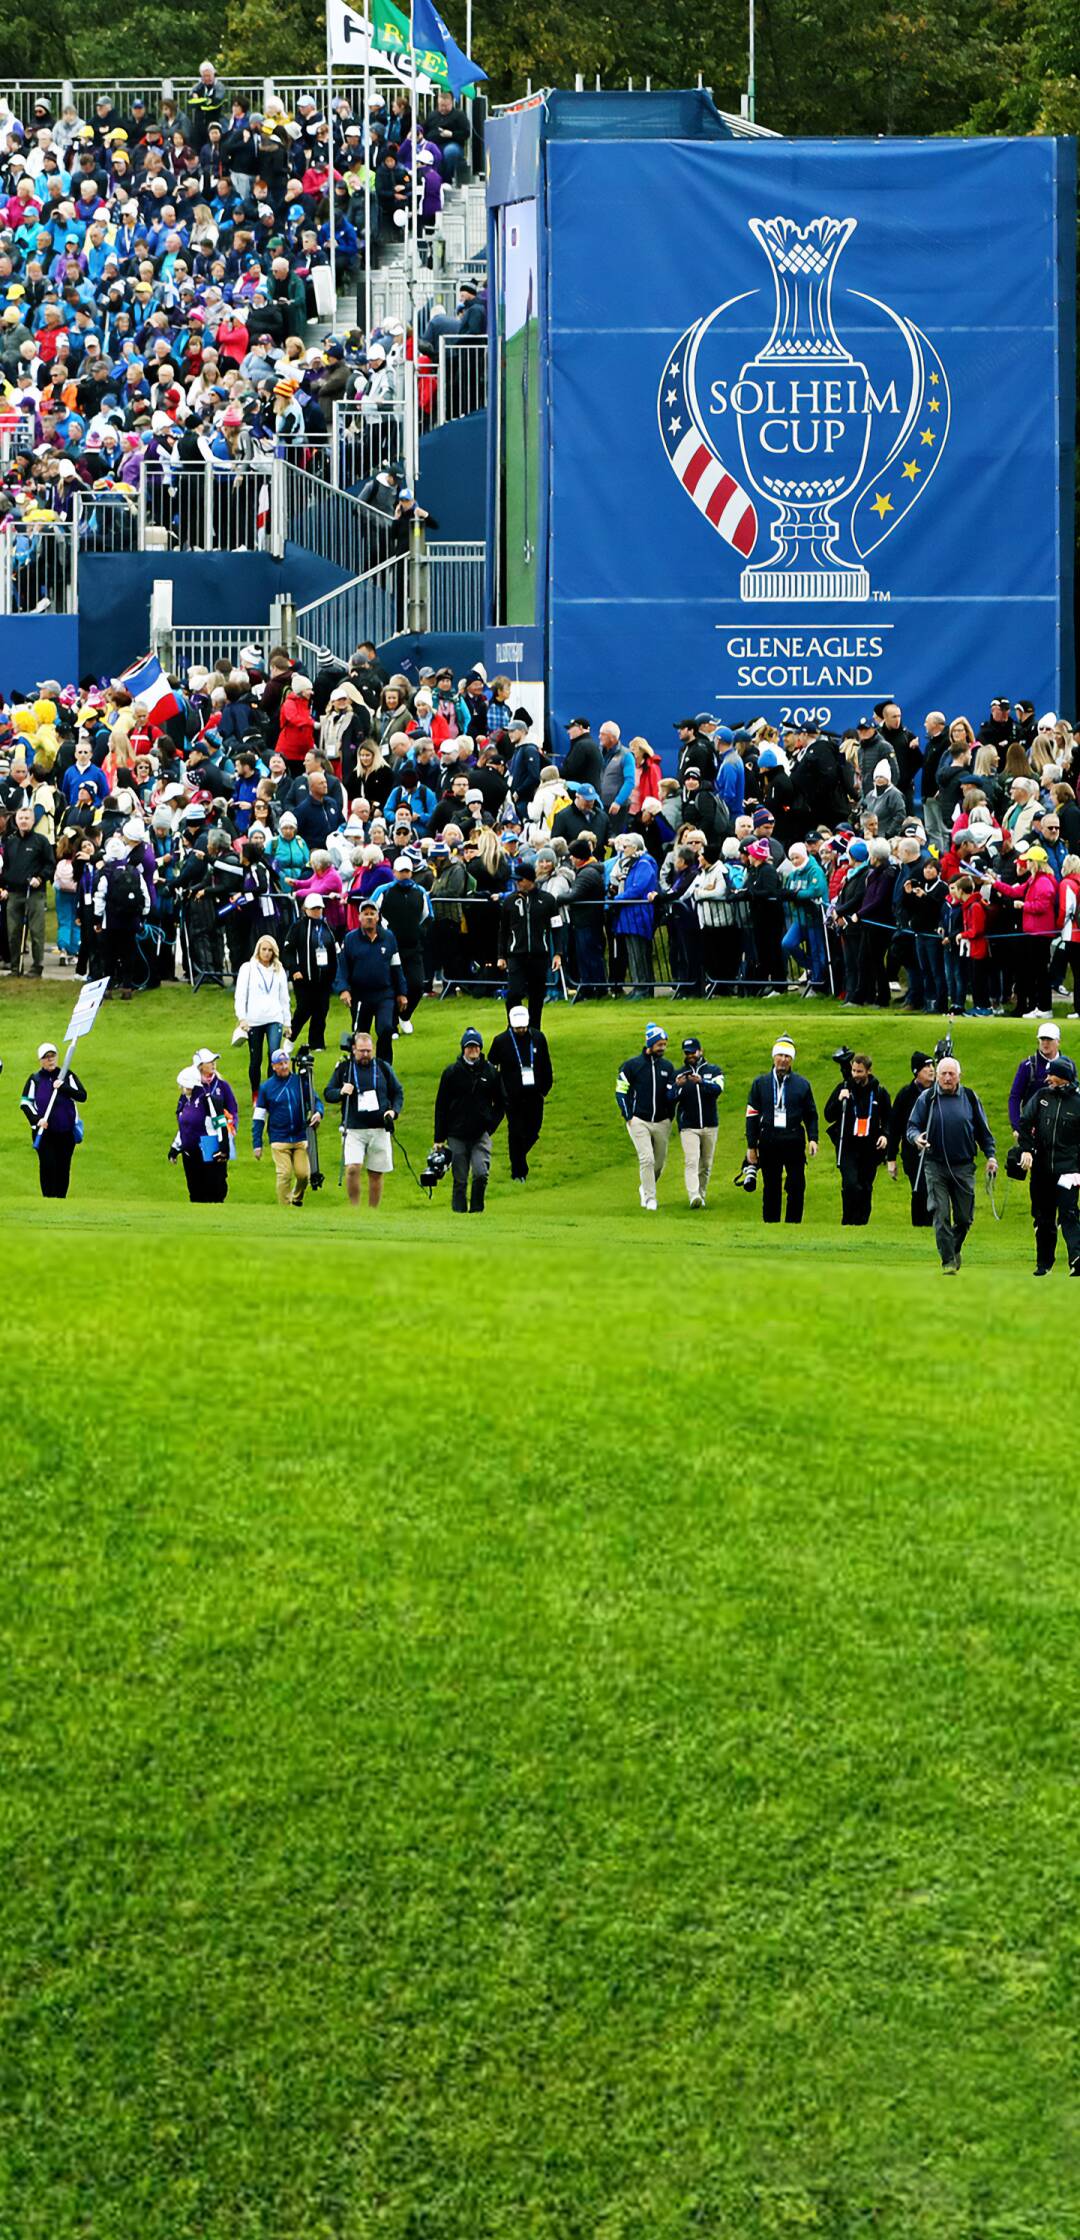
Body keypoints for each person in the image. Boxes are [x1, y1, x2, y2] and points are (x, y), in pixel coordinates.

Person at [905, 1055, 997, 1273]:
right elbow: (912, 1126)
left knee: (965, 1218)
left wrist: (991, 1156)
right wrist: (916, 1138)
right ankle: (948, 1261)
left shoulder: (970, 1098)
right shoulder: (926, 1098)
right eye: (943, 1074)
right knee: (940, 1212)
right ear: (937, 1076)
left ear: (959, 1076)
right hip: (934, 1165)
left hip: (963, 1166)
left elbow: (984, 1132)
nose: (947, 1078)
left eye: (951, 1074)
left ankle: (954, 1248)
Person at [324, 1027, 404, 1212]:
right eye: (362, 1051)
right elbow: (329, 1093)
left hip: (379, 1128)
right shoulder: (345, 1068)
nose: (365, 1054)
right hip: (353, 1128)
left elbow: (398, 1092)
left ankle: (372, 1212)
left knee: (376, 1173)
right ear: (354, 1049)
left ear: (373, 1049)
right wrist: (341, 1092)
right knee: (352, 1168)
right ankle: (355, 1209)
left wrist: (393, 1112)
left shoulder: (383, 1067)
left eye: (368, 1050)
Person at [744, 1035, 819, 1225]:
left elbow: (811, 1114)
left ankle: (793, 1224)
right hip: (769, 1138)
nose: (783, 1060)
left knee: (796, 1185)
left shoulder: (802, 1084)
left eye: (787, 1056)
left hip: (793, 1138)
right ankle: (771, 1224)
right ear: (773, 1057)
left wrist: (813, 1138)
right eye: (780, 1055)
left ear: (792, 1059)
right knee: (771, 1185)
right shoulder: (760, 1083)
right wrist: (752, 1146)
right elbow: (751, 1116)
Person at [1017, 1053, 1080, 1277]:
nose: (1047, 1078)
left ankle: (1077, 1259)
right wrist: (1026, 1149)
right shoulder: (1042, 1096)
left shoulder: (1078, 1102)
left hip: (1069, 1171)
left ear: (1064, 1077)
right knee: (1044, 1218)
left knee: (1069, 1215)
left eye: (1051, 1074)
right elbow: (1025, 1124)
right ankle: (1044, 1264)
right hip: (1042, 1170)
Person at [433, 1025, 505, 1214]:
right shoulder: (451, 1073)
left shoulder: (490, 1072)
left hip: (480, 1134)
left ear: (481, 1048)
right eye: (469, 1047)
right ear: (463, 1048)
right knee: (460, 1179)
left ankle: (476, 1211)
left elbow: (501, 1103)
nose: (473, 1050)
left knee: (481, 1173)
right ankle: (459, 1214)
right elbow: (441, 1106)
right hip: (456, 1134)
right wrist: (439, 1138)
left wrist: (490, 1126)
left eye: (476, 1046)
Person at [335, 895, 407, 1061]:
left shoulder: (388, 937)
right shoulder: (350, 939)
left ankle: (384, 1067)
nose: (368, 917)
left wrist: (402, 993)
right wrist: (344, 989)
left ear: (378, 916)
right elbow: (343, 967)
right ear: (359, 917)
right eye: (365, 913)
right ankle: (358, 1068)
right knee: (360, 1034)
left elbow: (396, 967)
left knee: (386, 1029)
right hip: (360, 996)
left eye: (372, 913)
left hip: (384, 994)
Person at [615, 1021, 678, 1212]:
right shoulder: (632, 1066)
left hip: (661, 1121)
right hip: (638, 1120)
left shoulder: (667, 1066)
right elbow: (621, 1091)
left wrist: (670, 1115)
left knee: (659, 1163)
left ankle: (645, 1186)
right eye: (660, 1044)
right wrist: (628, 1115)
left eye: (665, 1045)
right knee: (647, 1159)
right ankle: (650, 1198)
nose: (663, 1048)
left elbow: (671, 1094)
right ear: (650, 1044)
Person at [824, 1053, 892, 1226]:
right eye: (853, 1070)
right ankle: (847, 1221)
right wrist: (840, 1100)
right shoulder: (844, 1087)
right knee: (851, 1184)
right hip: (848, 1146)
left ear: (868, 1071)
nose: (855, 1075)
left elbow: (889, 1118)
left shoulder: (879, 1092)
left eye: (859, 1071)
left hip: (870, 1147)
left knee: (865, 1186)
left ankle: (862, 1223)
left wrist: (885, 1134)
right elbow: (828, 1115)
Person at [252, 1044, 323, 1207]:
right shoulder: (266, 1088)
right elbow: (259, 1117)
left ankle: (296, 1198)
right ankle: (284, 1207)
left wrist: (318, 1112)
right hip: (279, 1138)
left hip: (299, 1136)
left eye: (286, 1062)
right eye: (280, 1063)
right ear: (273, 1066)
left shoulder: (299, 1081)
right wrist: (257, 1144)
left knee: (303, 1174)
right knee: (284, 1174)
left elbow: (315, 1099)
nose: (284, 1066)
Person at [489, 1004, 554, 1182]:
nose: (521, 1030)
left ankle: (518, 1156)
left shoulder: (538, 1038)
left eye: (523, 1027)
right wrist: (497, 1093)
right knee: (516, 1132)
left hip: (535, 1095)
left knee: (533, 1131)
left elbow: (546, 1064)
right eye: (518, 1027)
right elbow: (492, 1066)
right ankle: (518, 1171)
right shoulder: (501, 1041)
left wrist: (544, 1089)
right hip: (512, 1097)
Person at [497, 855, 562, 1029]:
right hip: (516, 955)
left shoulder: (548, 900)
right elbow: (503, 931)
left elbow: (556, 928)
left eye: (521, 880)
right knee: (514, 994)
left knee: (536, 996)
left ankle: (534, 1030)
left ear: (530, 880)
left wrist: (558, 953)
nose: (517, 883)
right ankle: (514, 1027)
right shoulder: (509, 902)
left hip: (539, 955)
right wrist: (501, 955)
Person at [19, 1040, 87, 1199]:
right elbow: (25, 1103)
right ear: (40, 1060)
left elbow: (82, 1095)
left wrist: (63, 1087)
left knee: (63, 1167)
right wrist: (37, 1120)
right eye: (46, 1057)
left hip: (65, 1132)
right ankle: (48, 1199)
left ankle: (60, 1200)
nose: (50, 1060)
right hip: (44, 1133)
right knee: (48, 1165)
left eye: (52, 1056)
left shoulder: (67, 1075)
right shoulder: (35, 1079)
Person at [172, 1049, 239, 1204]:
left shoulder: (219, 1087)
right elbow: (183, 1121)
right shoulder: (188, 1094)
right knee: (197, 1187)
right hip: (193, 1144)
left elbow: (229, 1112)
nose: (214, 1064)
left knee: (215, 1184)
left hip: (213, 1139)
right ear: (200, 1067)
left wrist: (229, 1131)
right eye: (210, 1062)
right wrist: (176, 1147)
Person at [234, 933, 291, 1097]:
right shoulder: (247, 968)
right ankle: (256, 1092)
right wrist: (242, 1018)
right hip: (254, 1020)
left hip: (275, 1018)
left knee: (274, 1054)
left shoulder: (279, 969)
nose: (266, 953)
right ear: (258, 950)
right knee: (255, 1059)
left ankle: (271, 1091)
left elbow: (284, 998)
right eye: (264, 949)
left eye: (270, 950)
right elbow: (241, 995)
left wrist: (287, 1022)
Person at [1, 802, 53, 975]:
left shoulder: (41, 841)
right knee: (13, 932)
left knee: (36, 932)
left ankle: (37, 966)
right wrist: (4, 886)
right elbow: (6, 867)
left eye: (27, 818)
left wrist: (40, 877)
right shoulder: (10, 842)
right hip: (14, 893)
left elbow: (49, 864)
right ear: (16, 820)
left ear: (32, 821)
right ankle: (15, 966)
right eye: (21, 818)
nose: (24, 821)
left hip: (34, 893)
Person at [283, 893, 339, 1051]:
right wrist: (294, 969)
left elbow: (334, 950)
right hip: (303, 979)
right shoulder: (298, 927)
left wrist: (333, 975)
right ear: (305, 909)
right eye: (313, 909)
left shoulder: (327, 927)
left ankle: (317, 1043)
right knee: (303, 1010)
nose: (317, 912)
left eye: (319, 909)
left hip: (323, 980)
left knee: (321, 1011)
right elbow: (287, 951)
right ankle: (290, 1037)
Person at [673, 1035, 724, 1208]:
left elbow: (718, 1089)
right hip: (688, 1126)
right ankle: (693, 1195)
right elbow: (669, 1097)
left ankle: (701, 1194)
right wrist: (677, 1086)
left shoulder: (713, 1070)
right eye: (687, 1053)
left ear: (700, 1051)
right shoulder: (679, 1074)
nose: (690, 1056)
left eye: (693, 1052)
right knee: (691, 1161)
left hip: (710, 1124)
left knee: (706, 1163)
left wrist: (702, 1082)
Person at [887, 1050, 935, 1226]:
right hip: (912, 1153)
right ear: (916, 1072)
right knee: (920, 1190)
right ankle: (920, 1227)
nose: (931, 1070)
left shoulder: (940, 1091)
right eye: (926, 1067)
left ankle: (937, 1227)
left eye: (932, 1066)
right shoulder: (905, 1095)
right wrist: (891, 1158)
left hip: (936, 1151)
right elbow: (895, 1128)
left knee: (936, 1192)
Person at [1007, 1021, 1061, 1138]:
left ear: (1058, 1042)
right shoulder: (1028, 1066)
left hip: (1059, 1128)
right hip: (1032, 1128)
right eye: (1042, 1039)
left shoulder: (1066, 1066)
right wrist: (1016, 1127)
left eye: (1049, 1039)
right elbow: (1015, 1097)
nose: (1045, 1043)